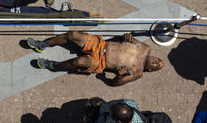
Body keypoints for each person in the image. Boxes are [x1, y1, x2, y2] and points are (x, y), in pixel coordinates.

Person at [29, 31, 164, 85]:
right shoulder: (146, 48)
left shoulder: (138, 73)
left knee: (79, 61)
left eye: (157, 65)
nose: (156, 61)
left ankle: (53, 65)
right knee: (73, 34)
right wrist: (127, 36)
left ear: (150, 70)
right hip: (100, 44)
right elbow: (129, 38)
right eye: (158, 60)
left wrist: (119, 75)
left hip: (100, 62)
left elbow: (116, 83)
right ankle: (42, 44)